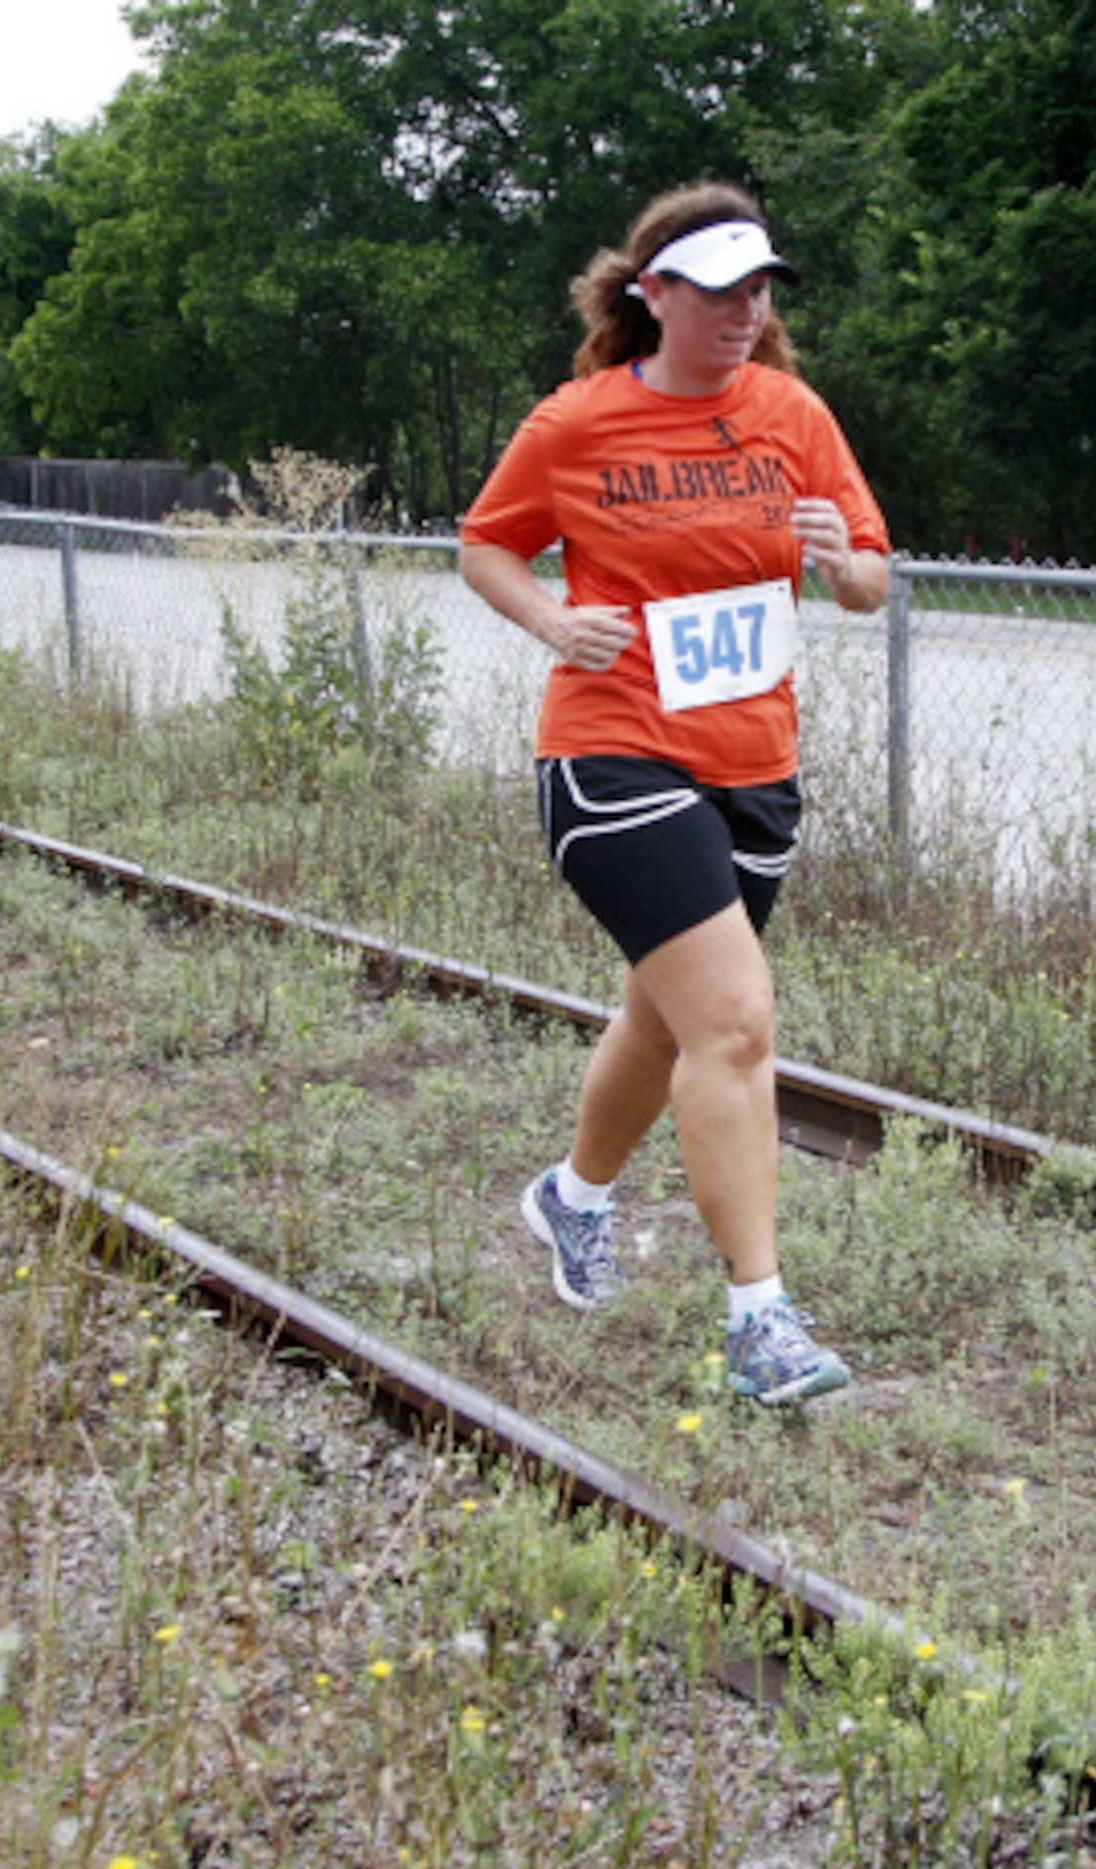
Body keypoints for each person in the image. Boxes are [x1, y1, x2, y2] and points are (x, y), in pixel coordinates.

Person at [459, 181, 890, 1407]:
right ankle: (761, 1316)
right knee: (735, 1022)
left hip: (754, 768)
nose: (746, 312)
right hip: (612, 755)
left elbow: (870, 577)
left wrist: (835, 563)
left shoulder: (792, 416)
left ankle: (571, 1197)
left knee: (667, 1022)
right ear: (654, 297)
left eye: (761, 289)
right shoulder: (578, 424)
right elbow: (486, 540)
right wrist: (551, 618)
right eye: (720, 291)